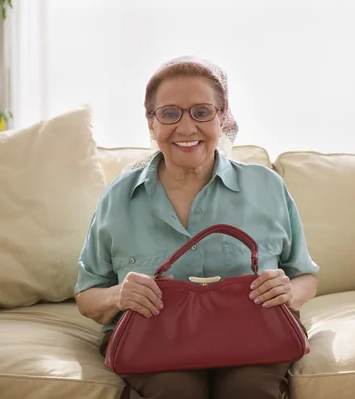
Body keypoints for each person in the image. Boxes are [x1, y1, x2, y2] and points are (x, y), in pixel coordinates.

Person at [75, 56, 319, 399]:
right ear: (151, 123)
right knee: (175, 390)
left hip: (253, 336)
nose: (186, 128)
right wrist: (119, 295)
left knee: (248, 389)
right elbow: (87, 297)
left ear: (222, 119)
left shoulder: (267, 186)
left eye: (202, 112)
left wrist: (289, 292)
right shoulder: (119, 196)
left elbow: (305, 275)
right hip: (153, 342)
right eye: (170, 113)